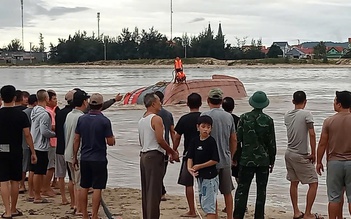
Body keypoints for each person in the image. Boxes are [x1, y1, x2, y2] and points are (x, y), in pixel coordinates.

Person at [234, 91, 276, 219]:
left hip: (246, 160)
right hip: (263, 161)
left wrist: (236, 158)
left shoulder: (244, 117)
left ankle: (238, 215)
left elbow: (238, 140)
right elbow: (271, 144)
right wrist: (272, 161)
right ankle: (259, 216)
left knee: (242, 189)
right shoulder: (268, 120)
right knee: (261, 191)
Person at [73, 93, 115, 219]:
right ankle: (95, 215)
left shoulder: (82, 119)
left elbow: (76, 139)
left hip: (85, 157)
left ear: (89, 104)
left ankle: (85, 214)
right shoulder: (104, 121)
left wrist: (75, 156)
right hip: (99, 158)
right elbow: (110, 141)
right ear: (101, 105)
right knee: (97, 187)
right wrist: (113, 139)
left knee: (84, 186)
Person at [138, 93, 180, 219]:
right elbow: (160, 139)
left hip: (144, 155)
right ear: (153, 104)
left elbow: (141, 140)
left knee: (147, 191)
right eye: (159, 102)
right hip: (154, 155)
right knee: (154, 193)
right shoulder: (156, 119)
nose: (161, 104)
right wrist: (172, 152)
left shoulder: (142, 120)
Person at [0, 85, 37, 218]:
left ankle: (7, 211)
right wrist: (33, 152)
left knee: (3, 180)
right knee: (15, 180)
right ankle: (14, 208)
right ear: (15, 98)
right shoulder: (20, 114)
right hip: (16, 149)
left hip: (1, 149)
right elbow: (27, 134)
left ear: (1, 98)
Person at [284, 91, 320, 219]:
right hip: (300, 154)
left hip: (289, 153)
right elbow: (312, 133)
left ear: (293, 101)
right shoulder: (307, 114)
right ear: (305, 101)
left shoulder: (287, 115)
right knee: (314, 182)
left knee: (294, 182)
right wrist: (314, 153)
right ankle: (308, 213)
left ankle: (296, 212)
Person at [201, 88, 237, 219]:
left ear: (208, 100)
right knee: (227, 191)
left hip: (210, 161)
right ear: (221, 101)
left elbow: (202, 138)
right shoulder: (229, 116)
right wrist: (231, 156)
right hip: (225, 159)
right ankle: (230, 217)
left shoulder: (204, 116)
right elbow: (233, 139)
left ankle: (214, 215)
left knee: (212, 192)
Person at [316, 91, 351, 219]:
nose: (334, 102)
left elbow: (322, 144)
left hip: (335, 162)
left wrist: (319, 162)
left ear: (340, 104)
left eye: (335, 100)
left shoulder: (329, 121)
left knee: (334, 197)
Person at [173, 93, 202, 217]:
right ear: (201, 104)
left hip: (188, 154)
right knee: (205, 183)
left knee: (188, 183)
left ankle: (192, 210)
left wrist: (173, 150)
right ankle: (208, 209)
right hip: (204, 155)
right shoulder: (204, 117)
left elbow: (177, 136)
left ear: (187, 104)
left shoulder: (184, 119)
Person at [187, 115, 220, 219]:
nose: (206, 129)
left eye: (208, 127)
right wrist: (190, 168)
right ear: (198, 127)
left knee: (209, 206)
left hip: (210, 177)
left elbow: (215, 160)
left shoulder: (211, 141)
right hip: (199, 176)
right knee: (204, 202)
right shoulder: (194, 140)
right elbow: (190, 156)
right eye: (203, 126)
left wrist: (200, 166)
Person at [65, 90, 90, 216]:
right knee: (80, 183)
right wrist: (76, 155)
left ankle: (76, 206)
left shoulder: (69, 115)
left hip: (67, 152)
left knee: (75, 182)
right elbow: (78, 138)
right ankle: (80, 208)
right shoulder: (81, 117)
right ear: (84, 102)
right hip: (77, 154)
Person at [30, 89, 56, 203]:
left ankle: (35, 194)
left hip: (34, 142)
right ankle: (37, 196)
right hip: (41, 144)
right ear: (46, 99)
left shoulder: (34, 110)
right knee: (39, 172)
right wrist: (55, 133)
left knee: (35, 170)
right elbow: (44, 131)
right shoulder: (44, 114)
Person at [55, 90, 76, 207]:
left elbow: (56, 129)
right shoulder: (73, 114)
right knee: (72, 177)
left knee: (61, 175)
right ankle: (73, 202)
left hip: (60, 146)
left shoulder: (60, 112)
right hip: (69, 148)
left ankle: (63, 197)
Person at [154, 91, 175, 201]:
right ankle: (161, 191)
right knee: (162, 171)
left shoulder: (149, 114)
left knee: (155, 171)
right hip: (165, 145)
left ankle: (160, 191)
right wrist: (173, 149)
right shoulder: (168, 114)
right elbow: (172, 132)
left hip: (154, 146)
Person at [20, 94, 38, 196]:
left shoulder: (24, 112)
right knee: (30, 166)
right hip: (31, 141)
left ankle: (22, 184)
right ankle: (24, 185)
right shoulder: (35, 113)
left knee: (23, 164)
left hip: (22, 141)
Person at [42, 89, 58, 197]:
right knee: (51, 166)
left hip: (50, 141)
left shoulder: (48, 110)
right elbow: (52, 127)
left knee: (50, 165)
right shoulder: (49, 112)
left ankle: (45, 187)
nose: (56, 101)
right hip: (52, 141)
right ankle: (46, 188)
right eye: (54, 99)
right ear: (48, 100)